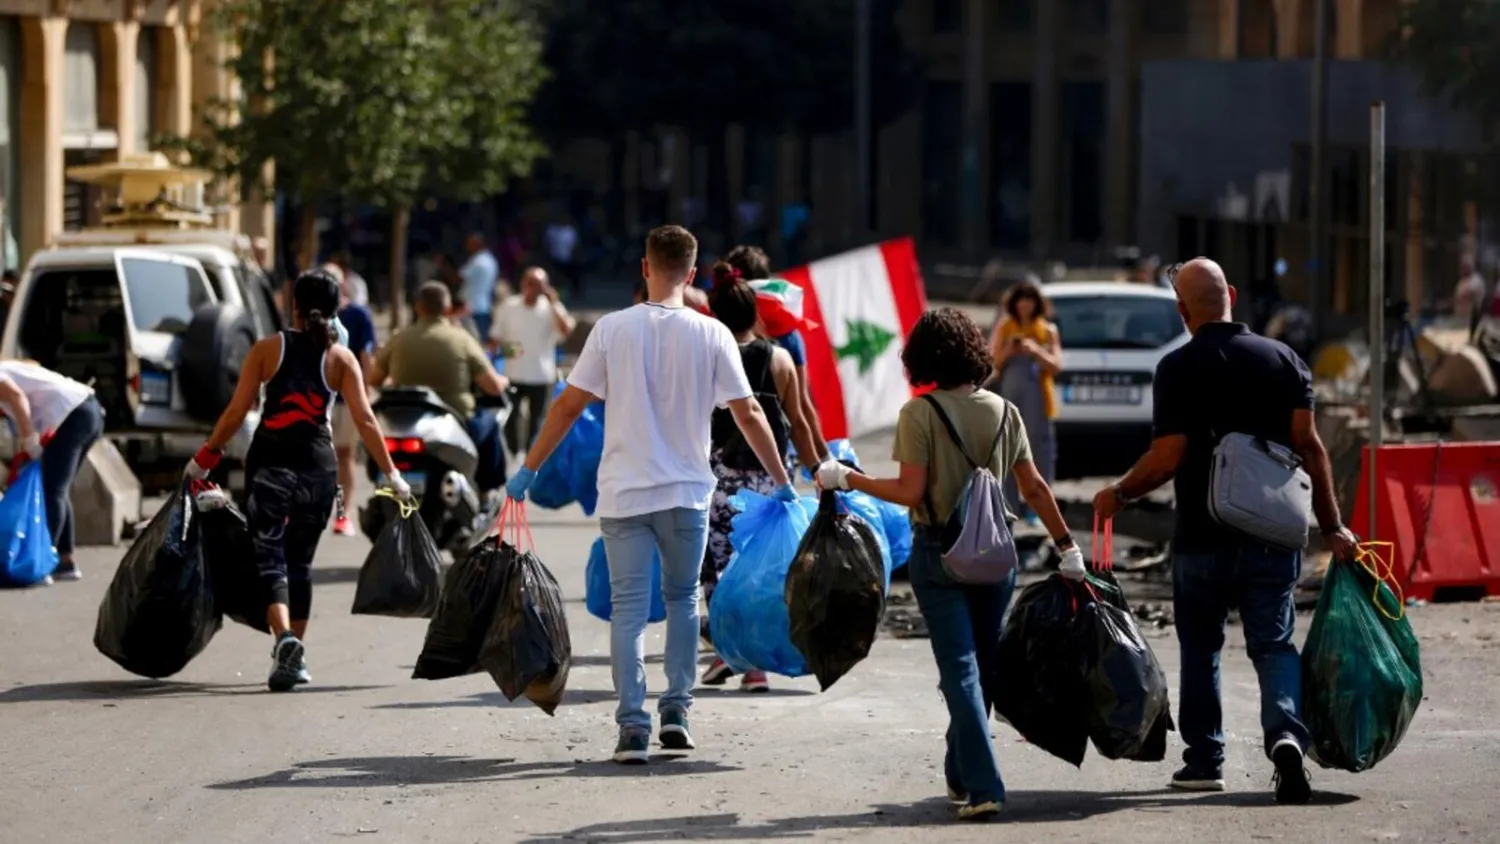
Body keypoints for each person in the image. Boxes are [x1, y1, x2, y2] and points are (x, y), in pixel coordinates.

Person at [505, 225, 796, 765]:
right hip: (687, 494)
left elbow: (567, 407)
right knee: (684, 599)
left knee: (629, 612)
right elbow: (749, 411)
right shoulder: (714, 336)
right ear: (691, 273)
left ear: (644, 267)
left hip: (624, 496)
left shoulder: (613, 330)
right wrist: (782, 481)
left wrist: (527, 470)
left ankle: (633, 726)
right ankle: (678, 711)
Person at [1092, 257, 1358, 804]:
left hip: (1200, 537)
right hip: (1273, 534)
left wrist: (1119, 494)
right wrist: (1332, 526)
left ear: (1183, 311)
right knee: (1275, 644)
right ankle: (1285, 733)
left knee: (1201, 647)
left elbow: (1168, 457)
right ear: (1232, 294)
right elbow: (1311, 448)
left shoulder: (1177, 367)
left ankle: (1205, 761)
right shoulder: (1284, 359)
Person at [813, 307, 1084, 822]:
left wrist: (846, 478)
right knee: (980, 669)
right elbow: (1033, 487)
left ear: (923, 357)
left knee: (960, 669)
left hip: (939, 553)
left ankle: (983, 784)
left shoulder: (920, 413)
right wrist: (1068, 547)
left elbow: (909, 491)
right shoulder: (1006, 411)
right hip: (997, 555)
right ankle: (962, 773)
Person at [185, 269, 408, 691]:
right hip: (318, 470)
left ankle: (284, 638)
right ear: (336, 308)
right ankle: (292, 654)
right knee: (300, 562)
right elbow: (364, 419)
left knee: (268, 555)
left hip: (269, 464)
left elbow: (236, 413)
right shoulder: (340, 359)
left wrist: (206, 456)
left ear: (294, 306)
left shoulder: (268, 349)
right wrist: (393, 475)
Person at [697, 263, 823, 693]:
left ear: (714, 315)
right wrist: (818, 470)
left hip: (718, 481)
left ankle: (728, 653)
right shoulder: (781, 358)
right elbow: (801, 423)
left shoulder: (708, 357)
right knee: (764, 570)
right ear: (756, 314)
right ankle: (755, 664)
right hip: (772, 480)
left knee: (720, 569)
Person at [368, 282, 510, 498]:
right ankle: (485, 493)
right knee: (490, 424)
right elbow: (491, 386)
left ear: (418, 308)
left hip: (403, 420)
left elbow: (374, 378)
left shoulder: (399, 338)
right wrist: (503, 382)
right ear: (448, 308)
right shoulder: (461, 339)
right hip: (456, 418)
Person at [716, 245, 830, 466]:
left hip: (722, 459)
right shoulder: (788, 335)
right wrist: (824, 461)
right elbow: (802, 409)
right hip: (775, 456)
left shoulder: (713, 331)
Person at [0, 360, 105, 584]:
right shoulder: (10, 367)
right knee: (57, 488)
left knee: (52, 490)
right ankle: (64, 562)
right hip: (88, 410)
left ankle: (42, 562)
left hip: (74, 415)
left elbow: (18, 398)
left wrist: (29, 440)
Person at [988, 280, 1061, 525]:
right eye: (1021, 300)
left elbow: (1056, 366)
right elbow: (993, 363)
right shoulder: (1005, 327)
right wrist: (1010, 349)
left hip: (1038, 399)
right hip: (1009, 398)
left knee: (1039, 453)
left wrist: (1035, 351)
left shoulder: (1048, 330)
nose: (1025, 305)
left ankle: (1037, 508)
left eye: (1029, 300)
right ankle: (1009, 505)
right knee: (1009, 451)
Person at [491, 267, 576, 457]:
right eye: (531, 284)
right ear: (523, 284)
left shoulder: (551, 308)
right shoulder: (509, 306)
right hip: (513, 374)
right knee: (511, 419)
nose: (534, 289)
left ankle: (531, 461)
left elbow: (566, 330)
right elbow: (494, 340)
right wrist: (512, 351)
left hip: (541, 375)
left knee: (536, 423)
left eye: (539, 285)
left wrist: (554, 302)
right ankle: (514, 455)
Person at [331, 270, 379, 536]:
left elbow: (366, 355)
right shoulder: (311, 314)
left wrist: (366, 389)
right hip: (318, 398)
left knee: (344, 455)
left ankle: (341, 513)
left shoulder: (358, 315)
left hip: (346, 398)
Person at [460, 234, 501, 342]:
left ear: (479, 244)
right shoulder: (490, 260)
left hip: (473, 308)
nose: (467, 247)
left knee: (474, 341)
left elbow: (460, 277)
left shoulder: (478, 261)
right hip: (484, 306)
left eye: (470, 244)